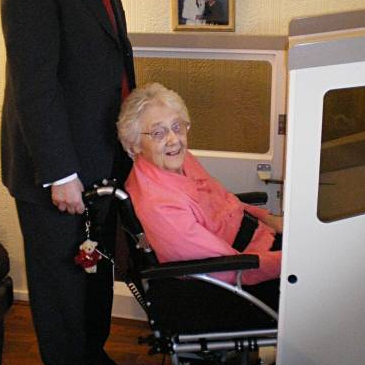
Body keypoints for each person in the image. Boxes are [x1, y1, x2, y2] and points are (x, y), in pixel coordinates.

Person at [0, 0, 146, 365]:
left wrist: (135, 133)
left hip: (101, 159)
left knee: (94, 273)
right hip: (55, 170)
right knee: (61, 287)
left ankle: (91, 361)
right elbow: (35, 83)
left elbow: (112, 60)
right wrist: (60, 173)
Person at [117, 83, 283, 311]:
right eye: (158, 133)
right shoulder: (159, 206)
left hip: (259, 239)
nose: (174, 139)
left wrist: (269, 219)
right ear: (134, 144)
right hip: (237, 280)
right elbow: (230, 270)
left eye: (177, 126)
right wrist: (293, 261)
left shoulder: (180, 160)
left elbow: (226, 201)